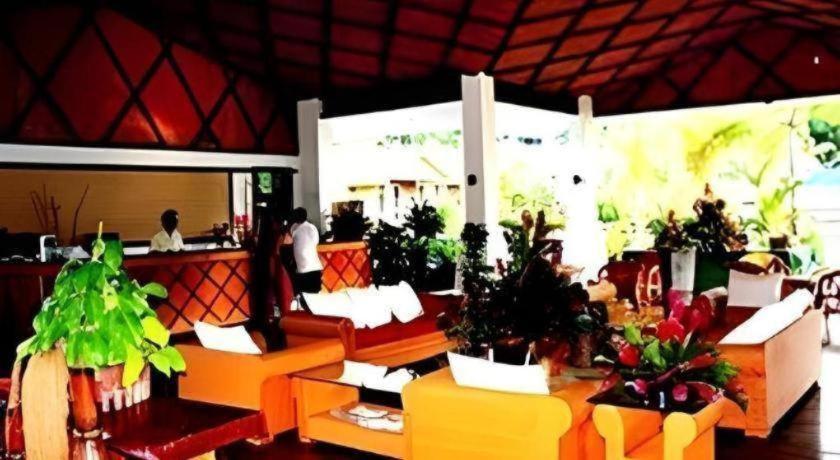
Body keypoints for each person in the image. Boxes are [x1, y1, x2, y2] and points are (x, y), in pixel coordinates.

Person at [289, 207, 322, 293]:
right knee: (313, 292)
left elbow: (291, 241)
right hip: (313, 267)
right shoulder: (312, 227)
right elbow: (316, 242)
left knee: (304, 292)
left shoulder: (294, 228)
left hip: (303, 268)